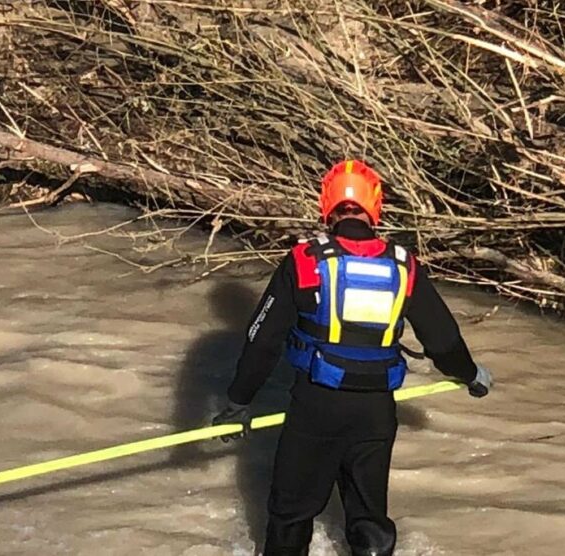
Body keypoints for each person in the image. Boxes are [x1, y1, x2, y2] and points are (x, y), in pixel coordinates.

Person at [211, 159, 493, 556]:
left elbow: (263, 341)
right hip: (376, 412)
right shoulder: (403, 265)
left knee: (291, 515)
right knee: (368, 521)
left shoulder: (305, 260)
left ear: (326, 206)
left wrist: (239, 401)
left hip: (316, 407)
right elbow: (443, 340)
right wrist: (471, 374)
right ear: (374, 207)